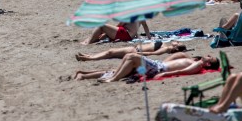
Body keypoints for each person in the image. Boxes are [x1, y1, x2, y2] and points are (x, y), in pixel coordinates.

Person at [73, 52, 220, 82]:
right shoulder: (193, 60)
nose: (207, 55)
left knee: (132, 57)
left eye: (209, 57)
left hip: (157, 69)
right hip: (156, 65)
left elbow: (183, 71)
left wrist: (165, 75)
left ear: (208, 63)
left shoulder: (198, 65)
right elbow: (172, 59)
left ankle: (113, 79)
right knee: (128, 63)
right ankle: (84, 75)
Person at [75, 41, 188, 61]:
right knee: (110, 52)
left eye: (178, 44)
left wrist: (137, 53)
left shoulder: (166, 49)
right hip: (135, 48)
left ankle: (88, 58)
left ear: (176, 48)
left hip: (134, 50)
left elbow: (152, 53)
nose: (176, 42)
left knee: (110, 53)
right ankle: (88, 56)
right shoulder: (166, 45)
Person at [83, 19, 151, 44]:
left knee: (102, 26)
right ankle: (93, 39)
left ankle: (88, 42)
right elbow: (145, 26)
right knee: (106, 30)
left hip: (125, 33)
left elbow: (119, 25)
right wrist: (149, 38)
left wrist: (106, 33)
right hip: (129, 36)